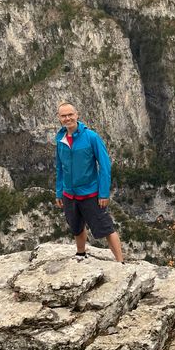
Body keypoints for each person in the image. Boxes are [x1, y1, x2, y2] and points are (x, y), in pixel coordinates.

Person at [54, 102, 124, 263]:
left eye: (70, 114)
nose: (67, 118)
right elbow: (60, 167)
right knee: (76, 226)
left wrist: (103, 192)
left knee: (106, 227)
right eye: (63, 116)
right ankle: (80, 254)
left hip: (90, 193)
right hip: (69, 193)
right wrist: (59, 191)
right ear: (59, 118)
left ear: (77, 115)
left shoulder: (91, 137)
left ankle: (121, 262)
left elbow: (105, 166)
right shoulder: (60, 139)